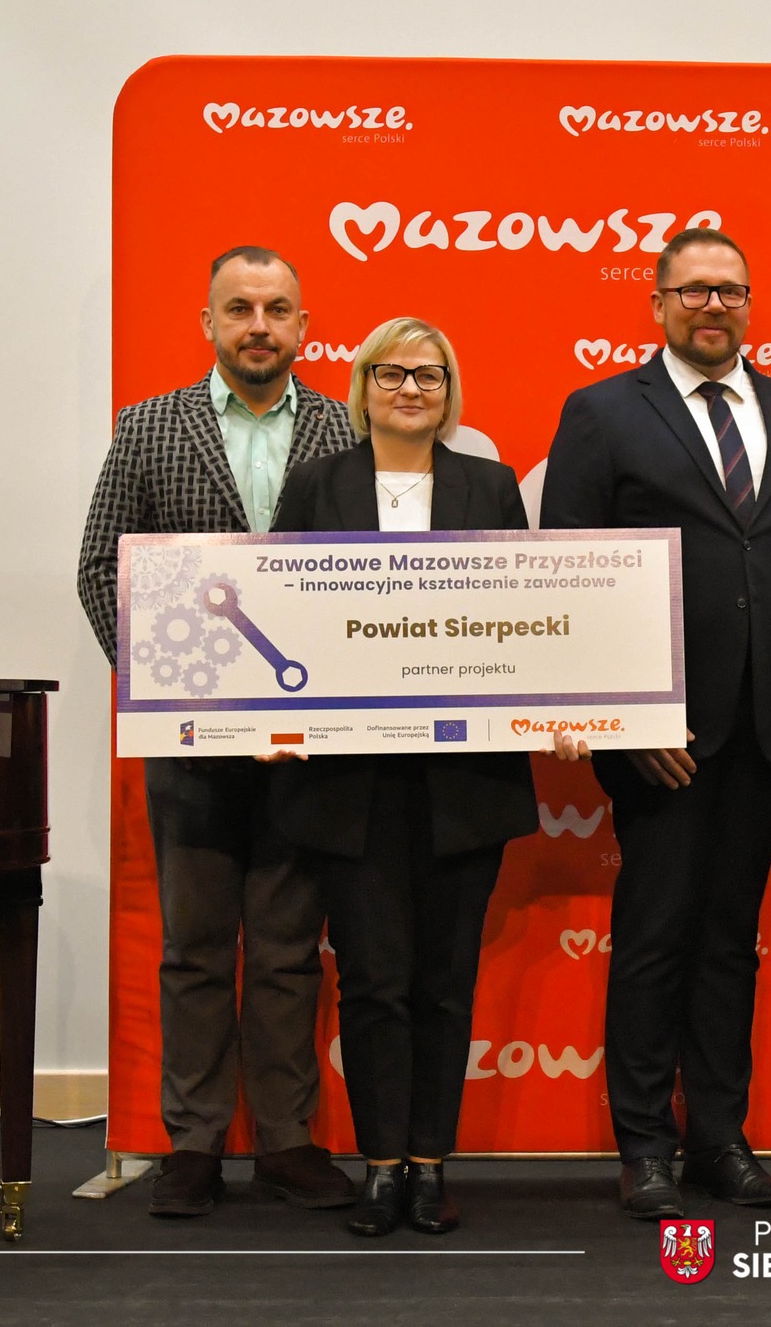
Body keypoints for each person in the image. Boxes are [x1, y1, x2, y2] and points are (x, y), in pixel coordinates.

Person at [542, 227, 771, 1219]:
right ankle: (645, 1146)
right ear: (657, 303)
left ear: (750, 304)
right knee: (654, 936)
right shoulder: (600, 413)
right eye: (693, 290)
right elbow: (571, 577)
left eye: (730, 290)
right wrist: (622, 719)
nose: (712, 306)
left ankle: (720, 1137)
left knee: (728, 942)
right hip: (659, 738)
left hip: (766, 725)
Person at [76, 245, 357, 1218]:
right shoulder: (149, 426)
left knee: (287, 950)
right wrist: (161, 688)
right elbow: (99, 568)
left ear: (304, 326)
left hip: (309, 745)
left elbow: (373, 578)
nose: (258, 326)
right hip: (190, 744)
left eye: (277, 309)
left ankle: (285, 1140)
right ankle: (191, 1143)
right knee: (194, 948)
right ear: (208, 322)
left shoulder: (345, 427)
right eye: (239, 308)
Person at [264, 317, 543, 1236]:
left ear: (450, 391)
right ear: (362, 386)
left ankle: (430, 1163)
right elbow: (278, 610)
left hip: (463, 781)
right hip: (352, 785)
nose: (411, 388)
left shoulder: (490, 486)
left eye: (430, 374)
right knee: (374, 980)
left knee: (445, 982)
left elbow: (527, 617)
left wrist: (570, 708)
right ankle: (381, 1163)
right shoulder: (318, 484)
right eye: (392, 373)